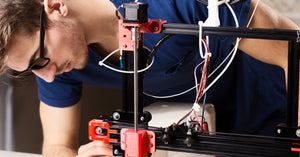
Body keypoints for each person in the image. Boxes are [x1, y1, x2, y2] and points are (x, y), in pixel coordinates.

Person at [1, 0, 299, 156]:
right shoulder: (59, 64)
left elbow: (294, 49)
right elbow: (54, 147)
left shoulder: (171, 3)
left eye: (39, 60)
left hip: (274, 122)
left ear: (55, 6)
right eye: (31, 69)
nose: (47, 77)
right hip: (197, 141)